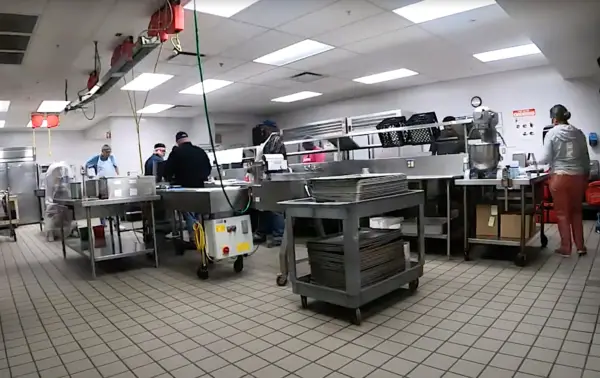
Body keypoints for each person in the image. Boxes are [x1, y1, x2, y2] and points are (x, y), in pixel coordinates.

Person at [535, 104, 590, 257]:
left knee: (562, 213)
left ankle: (566, 247)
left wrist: (532, 162)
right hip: (578, 177)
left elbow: (546, 158)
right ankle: (580, 246)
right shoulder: (579, 133)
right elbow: (586, 158)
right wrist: (585, 175)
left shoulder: (552, 133)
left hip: (560, 177)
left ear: (554, 119)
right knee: (577, 212)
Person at [164, 131, 212, 244]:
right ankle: (204, 238)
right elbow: (208, 168)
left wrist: (170, 180)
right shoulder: (200, 151)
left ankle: (195, 239)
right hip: (200, 188)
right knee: (198, 214)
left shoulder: (176, 152)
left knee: (189, 214)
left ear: (177, 141)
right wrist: (202, 177)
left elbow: (168, 170)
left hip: (184, 189)